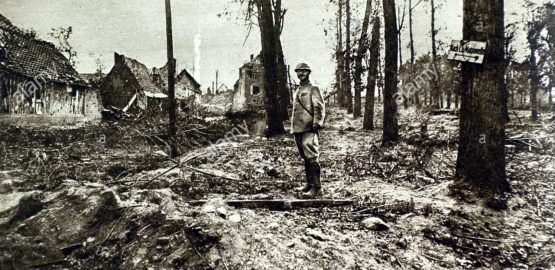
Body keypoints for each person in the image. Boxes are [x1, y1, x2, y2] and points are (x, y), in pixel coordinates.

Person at [291, 62, 325, 198]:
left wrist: (317, 122)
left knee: (311, 156)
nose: (301, 74)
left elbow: (319, 107)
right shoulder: (298, 90)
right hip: (298, 128)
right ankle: (309, 184)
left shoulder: (313, 88)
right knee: (305, 156)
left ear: (309, 73)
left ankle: (317, 188)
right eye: (298, 71)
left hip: (310, 126)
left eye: (304, 71)